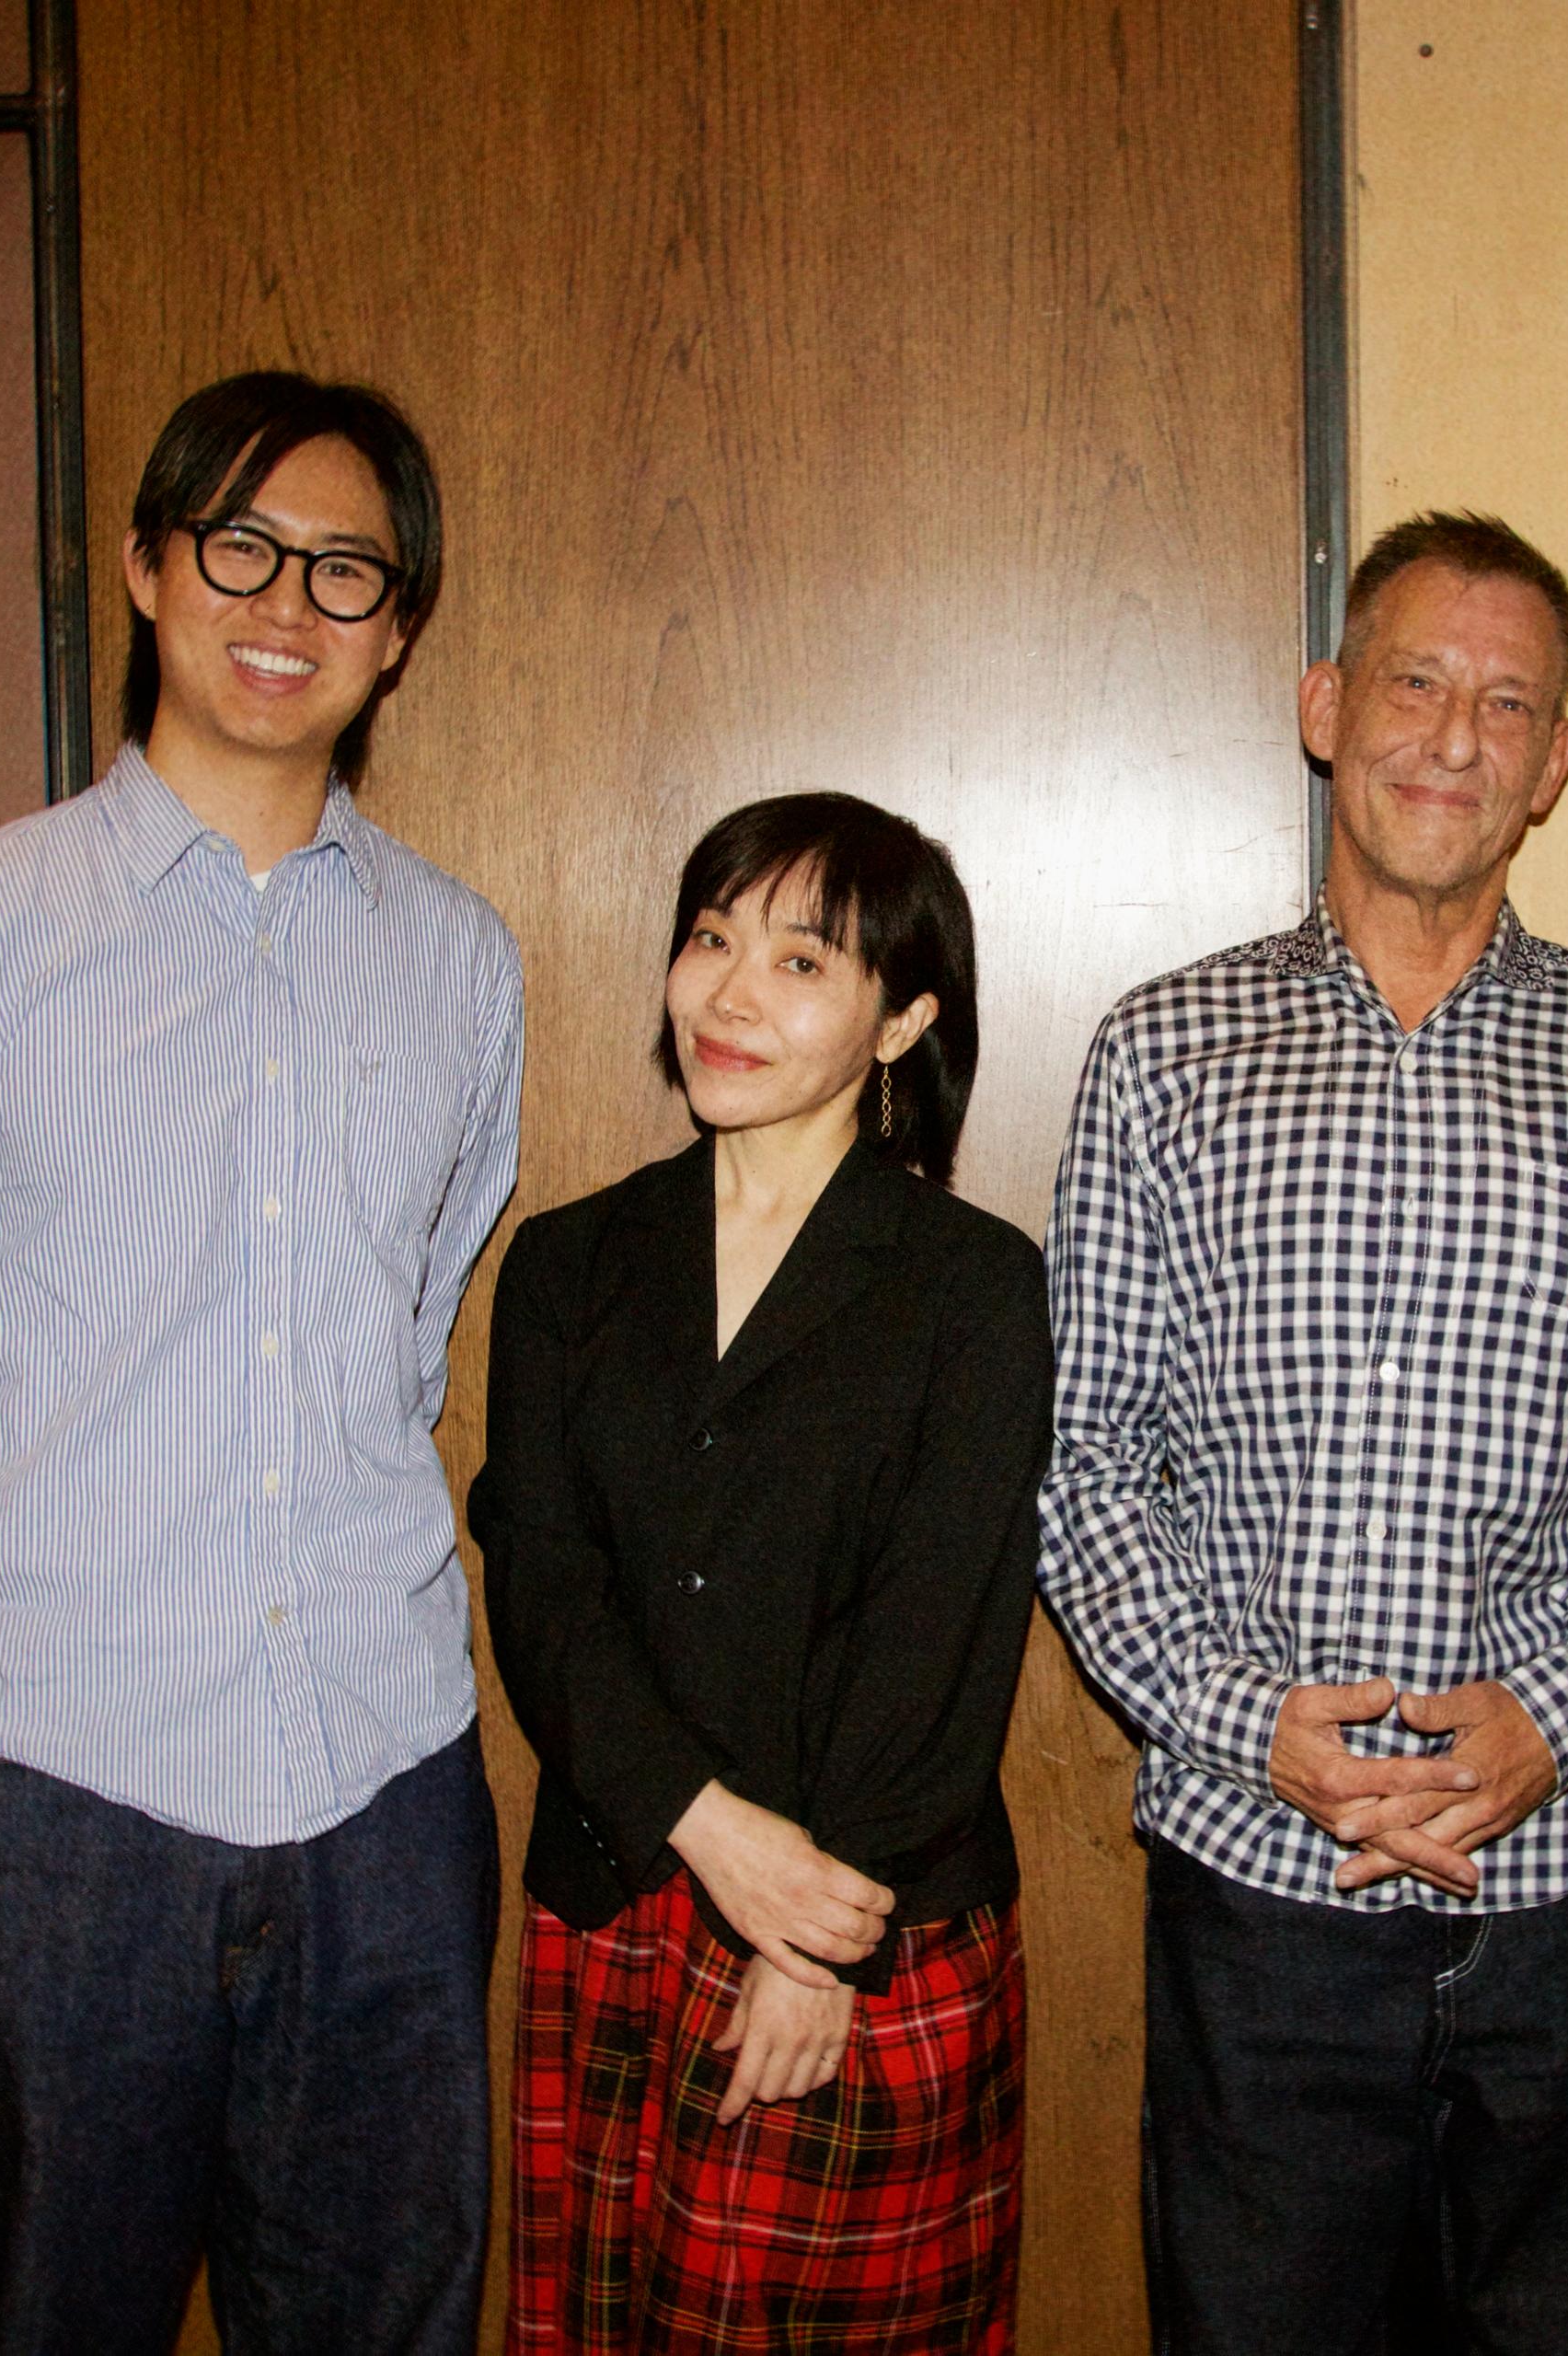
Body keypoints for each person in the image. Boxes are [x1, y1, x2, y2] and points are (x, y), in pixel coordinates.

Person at [0, 371, 523, 2354]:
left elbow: (409, 1320)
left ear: (402, 622)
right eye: (241, 545)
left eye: (346, 567)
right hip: (47, 1806)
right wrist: (9, 1632)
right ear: (148, 567)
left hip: (383, 1785)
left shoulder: (459, 957)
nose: (288, 601)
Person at [1038, 512, 1568, 2353]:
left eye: (1506, 702)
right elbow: (1089, 1452)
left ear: (1556, 762)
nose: (1452, 736)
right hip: (1259, 1884)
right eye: (1415, 681)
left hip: (1563, 1878)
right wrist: (1242, 1718)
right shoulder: (1164, 1051)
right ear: (1324, 704)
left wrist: (1554, 1713)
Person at [468, 792, 1048, 2355]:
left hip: (869, 1924)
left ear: (900, 1018)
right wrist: (705, 1827)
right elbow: (537, 1573)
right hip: (623, 1895)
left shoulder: (972, 1287)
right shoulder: (572, 1263)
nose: (732, 993)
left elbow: (948, 1632)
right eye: (712, 940)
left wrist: (808, 1937)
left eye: (802, 961)